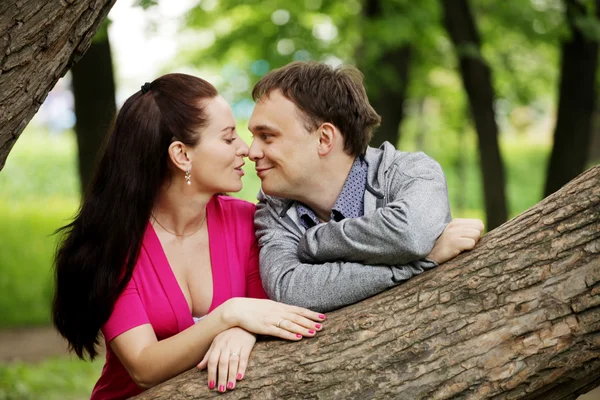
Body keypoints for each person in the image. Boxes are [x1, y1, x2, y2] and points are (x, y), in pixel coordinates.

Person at [52, 73, 325, 399]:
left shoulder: (248, 221)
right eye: (227, 139)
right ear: (182, 155)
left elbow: (264, 314)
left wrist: (242, 331)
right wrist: (228, 316)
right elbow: (142, 367)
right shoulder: (114, 242)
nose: (246, 150)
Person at [248, 61, 484, 311]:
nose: (251, 152)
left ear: (324, 139)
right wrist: (421, 262)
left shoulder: (411, 172)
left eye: (267, 137)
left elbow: (410, 235)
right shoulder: (273, 207)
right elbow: (292, 290)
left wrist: (314, 241)